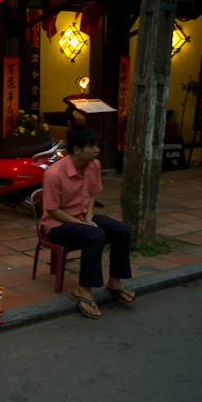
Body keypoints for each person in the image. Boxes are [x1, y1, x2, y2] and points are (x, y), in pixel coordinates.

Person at [41, 124, 135, 319]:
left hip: (82, 217)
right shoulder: (54, 174)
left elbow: (91, 195)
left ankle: (114, 281)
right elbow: (52, 210)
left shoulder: (94, 165)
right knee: (95, 235)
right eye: (92, 146)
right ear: (77, 149)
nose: (97, 150)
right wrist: (82, 224)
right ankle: (83, 289)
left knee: (122, 230)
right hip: (58, 225)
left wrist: (86, 218)